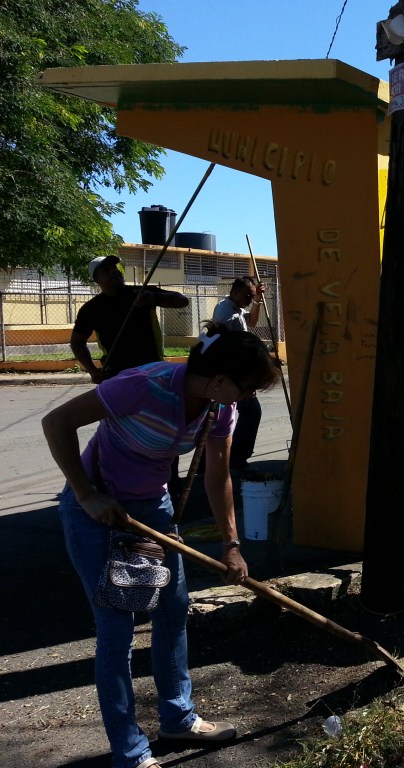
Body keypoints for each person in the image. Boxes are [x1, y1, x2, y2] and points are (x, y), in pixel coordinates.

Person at [42, 323, 280, 768]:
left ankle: (178, 717)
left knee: (173, 611)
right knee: (116, 631)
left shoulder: (217, 408)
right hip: (96, 511)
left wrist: (231, 544)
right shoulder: (143, 385)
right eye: (246, 389)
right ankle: (130, 752)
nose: (246, 399)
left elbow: (218, 475)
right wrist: (85, 493)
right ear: (220, 379)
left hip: (152, 509)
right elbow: (56, 422)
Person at [70, 255, 189, 383]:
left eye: (114, 267)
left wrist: (155, 297)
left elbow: (182, 300)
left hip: (152, 371)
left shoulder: (141, 293)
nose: (113, 270)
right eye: (106, 270)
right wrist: (93, 371)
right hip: (116, 376)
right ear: (96, 280)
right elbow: (77, 342)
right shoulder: (91, 309)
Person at [212, 276, 267, 473]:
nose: (249, 300)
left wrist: (258, 301)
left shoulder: (237, 308)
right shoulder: (226, 312)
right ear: (234, 292)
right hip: (230, 374)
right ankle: (235, 459)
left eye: (252, 297)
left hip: (235, 373)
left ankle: (231, 458)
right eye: (248, 296)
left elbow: (252, 322)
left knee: (225, 416)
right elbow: (228, 344)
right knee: (249, 412)